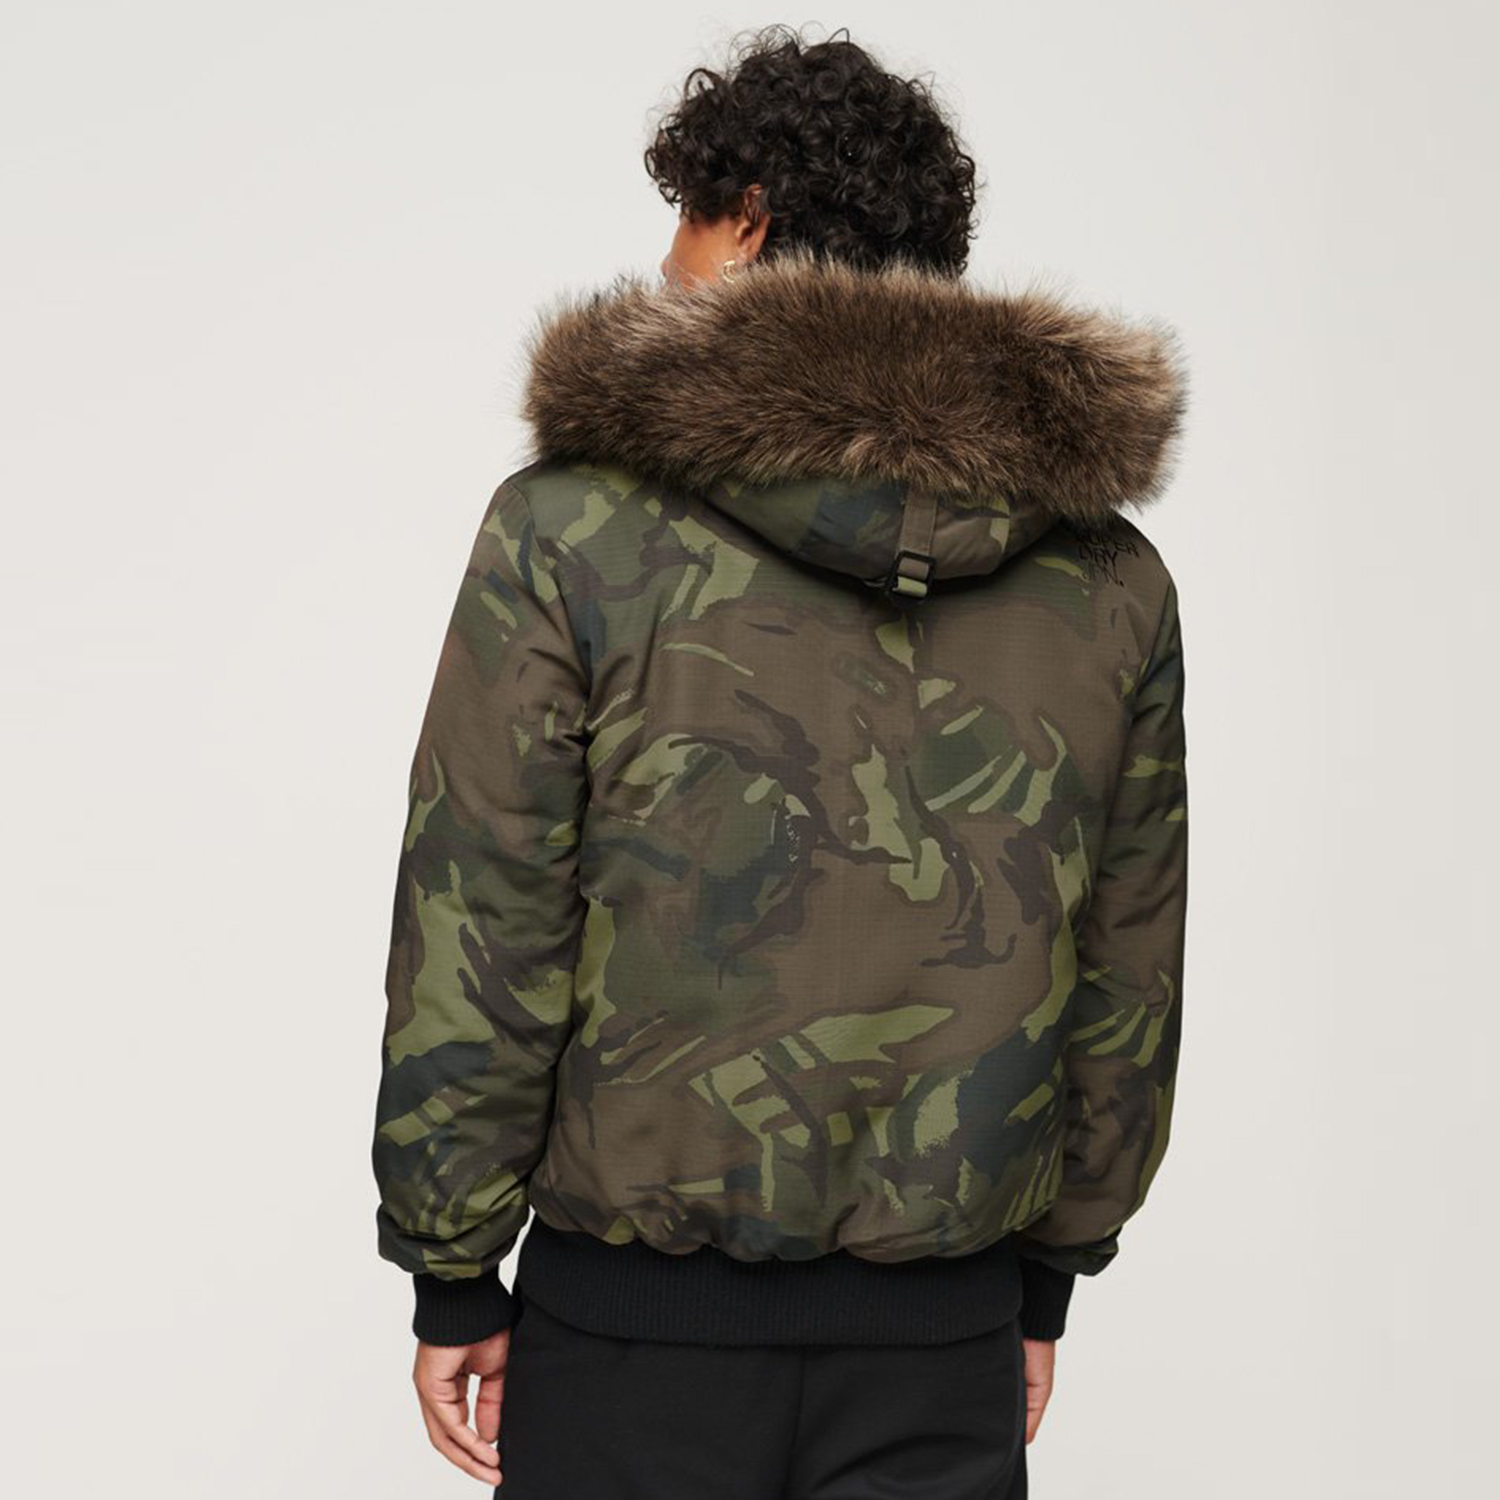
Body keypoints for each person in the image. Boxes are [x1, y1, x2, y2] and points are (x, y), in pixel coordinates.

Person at [372, 24, 1188, 1498]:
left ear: (745, 218)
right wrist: (1049, 1275)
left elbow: (484, 911)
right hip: (944, 1341)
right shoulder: (1108, 580)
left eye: (686, 218)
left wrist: (451, 1262)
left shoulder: (569, 531)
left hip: (629, 1341)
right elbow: (1131, 967)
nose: (665, 262)